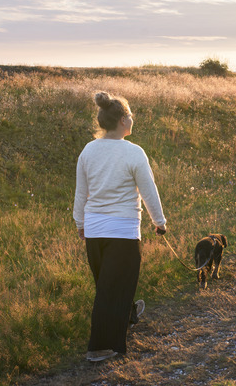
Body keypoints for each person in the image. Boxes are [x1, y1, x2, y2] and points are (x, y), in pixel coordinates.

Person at [73, 91, 168, 362]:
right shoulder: (134, 152)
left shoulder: (88, 150)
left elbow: (81, 193)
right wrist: (159, 223)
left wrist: (80, 223)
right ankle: (99, 347)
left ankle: (128, 314)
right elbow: (149, 192)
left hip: (94, 231)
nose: (132, 119)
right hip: (123, 232)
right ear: (124, 121)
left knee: (108, 284)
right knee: (110, 289)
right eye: (131, 115)